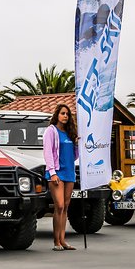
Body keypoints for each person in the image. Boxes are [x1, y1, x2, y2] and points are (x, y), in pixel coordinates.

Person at [43, 104, 78, 251]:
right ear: (57, 114)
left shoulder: (70, 133)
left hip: (69, 172)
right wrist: (52, 172)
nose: (65, 116)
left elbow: (75, 156)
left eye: (67, 114)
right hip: (56, 172)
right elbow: (48, 152)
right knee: (60, 206)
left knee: (66, 207)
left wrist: (77, 145)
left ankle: (63, 240)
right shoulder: (51, 131)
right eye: (63, 113)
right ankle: (56, 241)